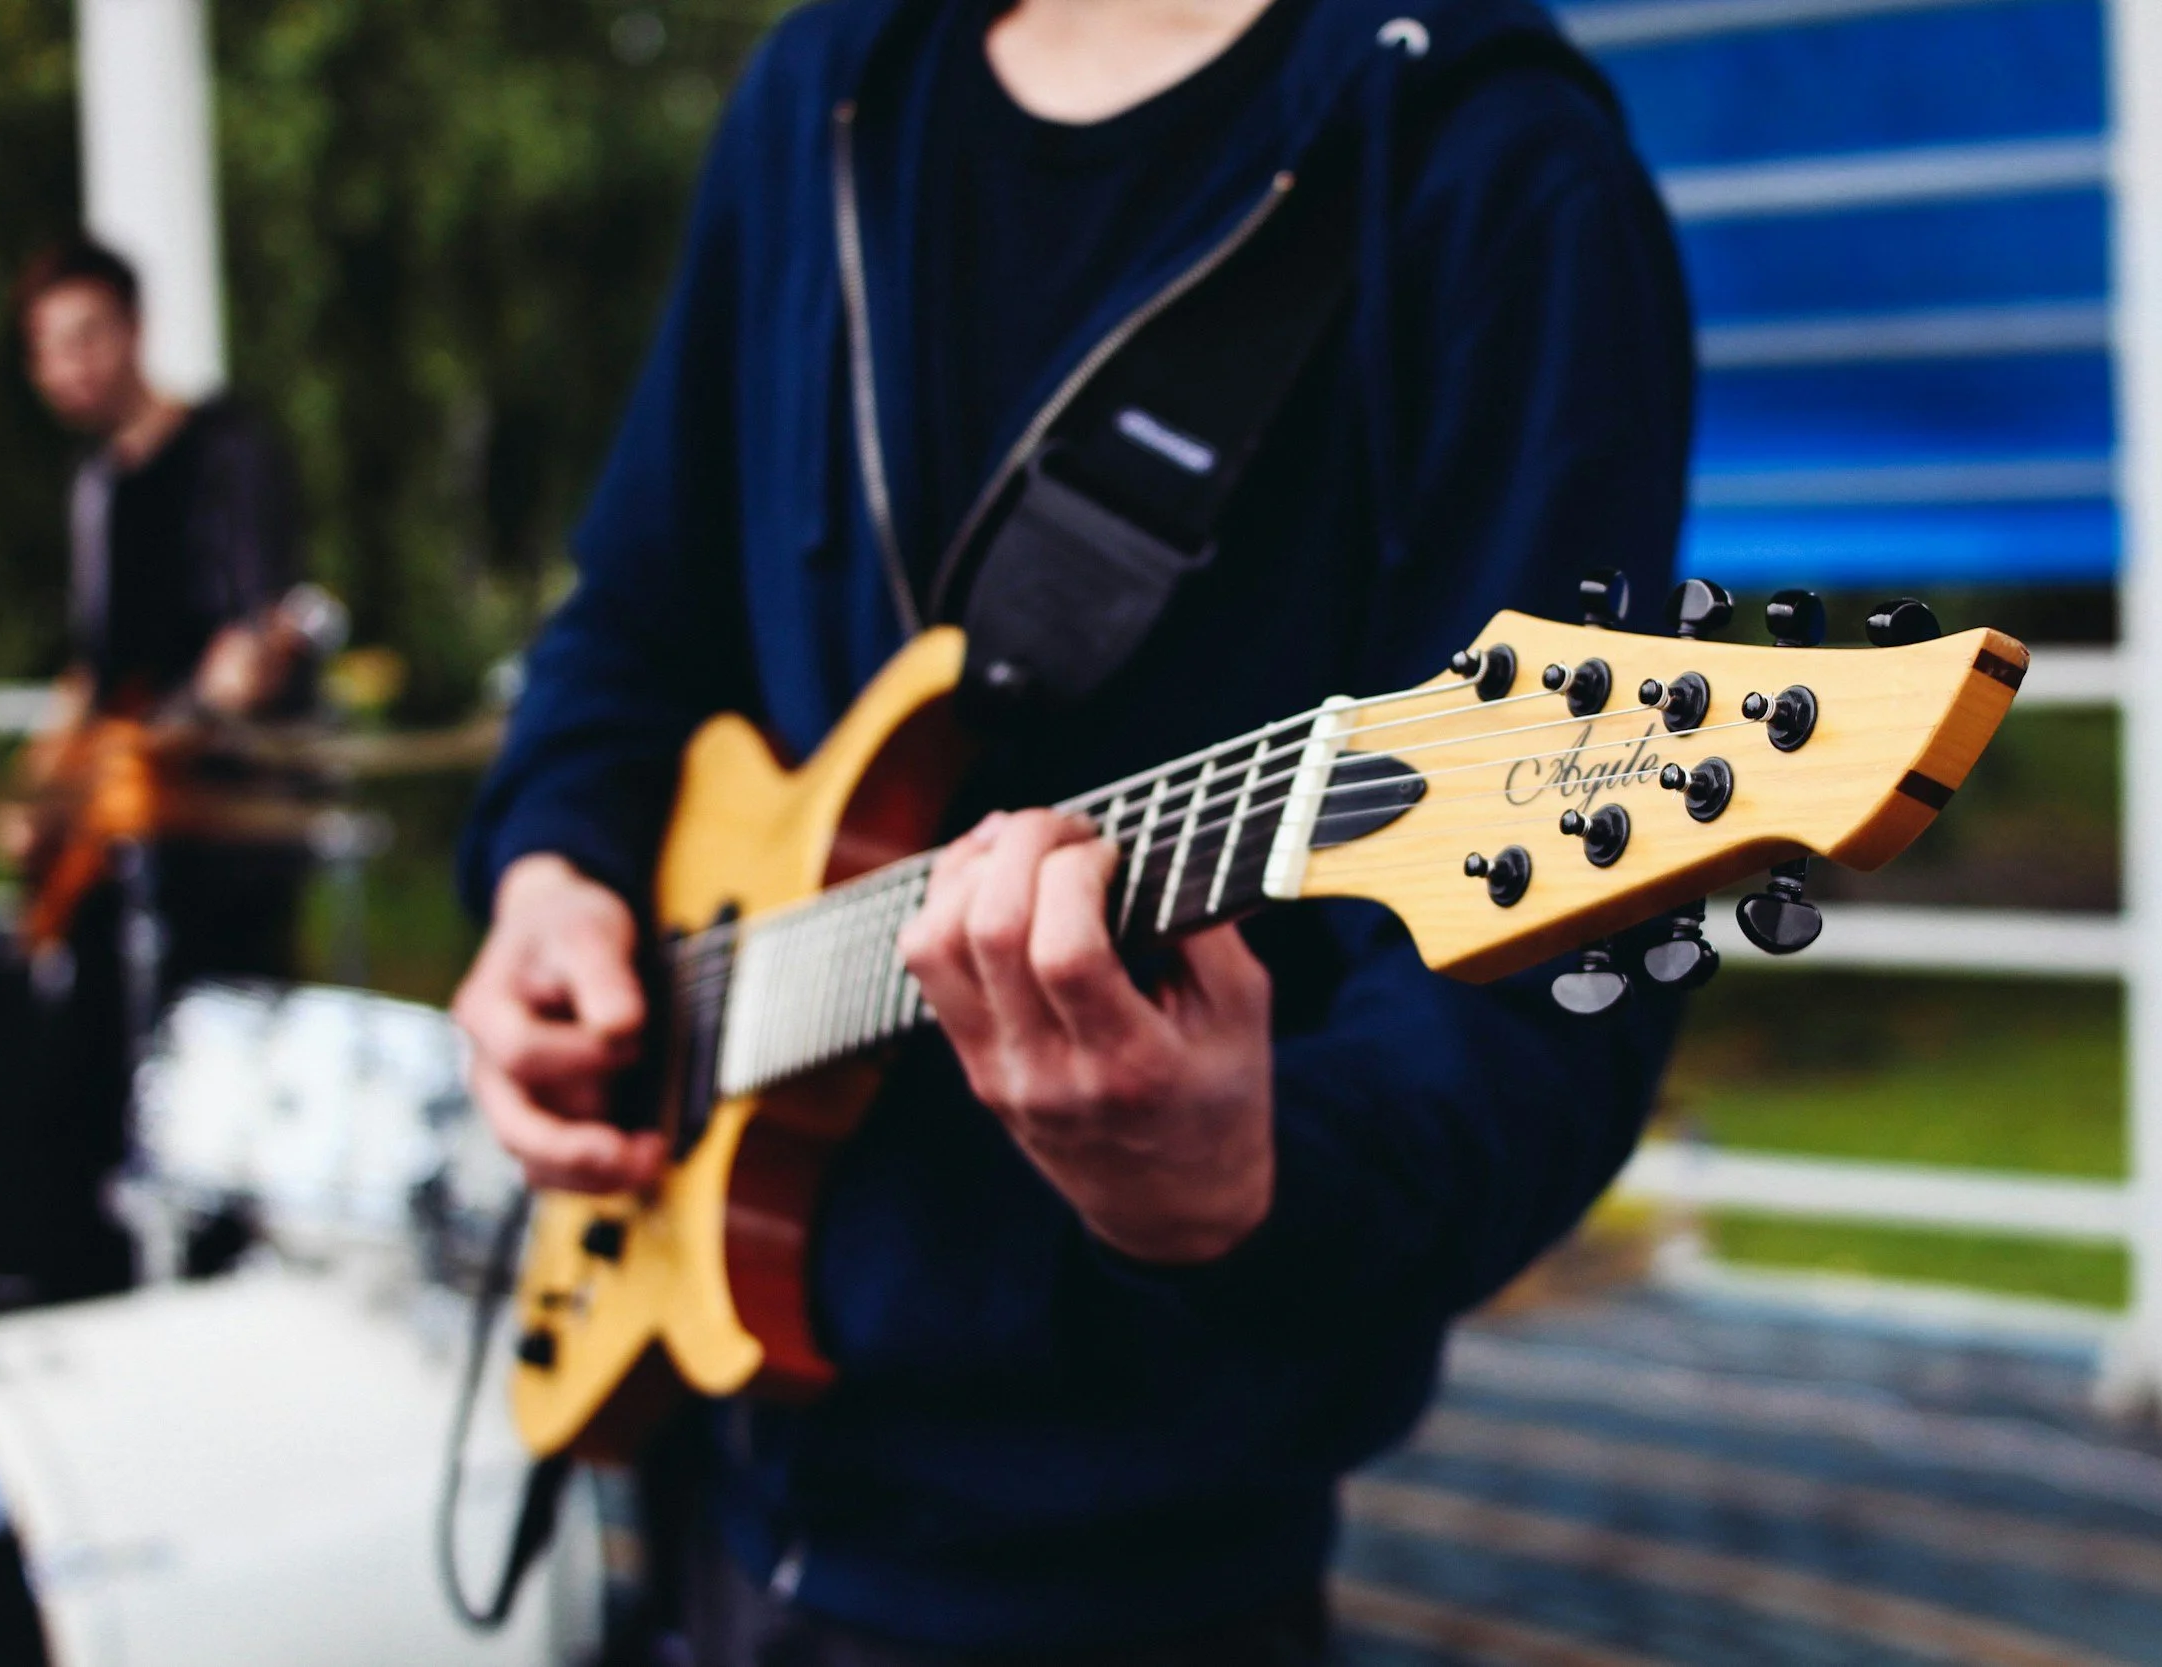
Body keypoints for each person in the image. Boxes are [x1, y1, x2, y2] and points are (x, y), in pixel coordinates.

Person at [453, 0, 1695, 1655]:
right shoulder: (827, 87)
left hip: (1119, 1562)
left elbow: (1553, 996)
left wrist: (1249, 1178)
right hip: (701, 1454)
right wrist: (551, 875)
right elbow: (632, 618)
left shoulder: (1493, 161)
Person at [1, 238, 319, 1298]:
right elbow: (96, 666)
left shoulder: (226, 450)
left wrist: (232, 687)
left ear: (132, 330)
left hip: (220, 821)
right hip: (122, 819)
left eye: (87, 335)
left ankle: (227, 1272)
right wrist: (39, 788)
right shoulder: (95, 489)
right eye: (51, 348)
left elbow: (256, 638)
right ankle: (90, 1281)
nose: (72, 365)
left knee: (215, 1056)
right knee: (84, 1058)